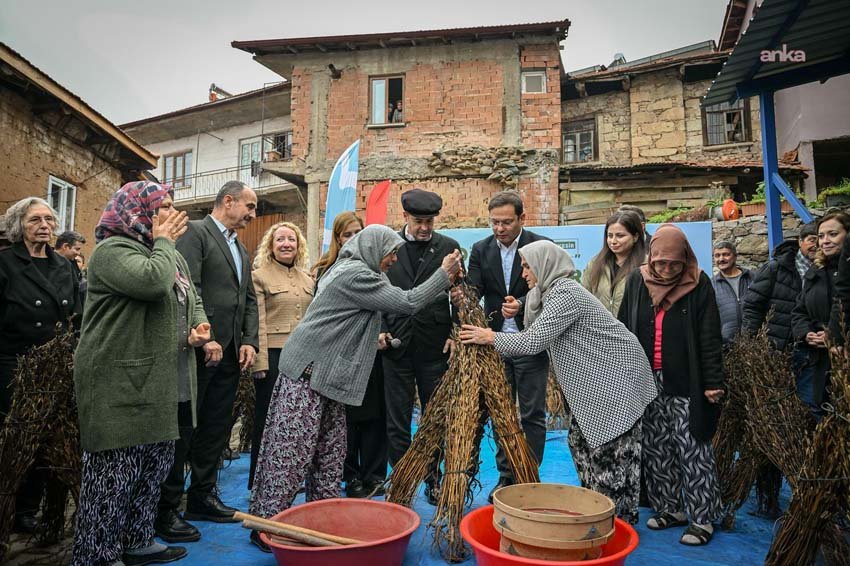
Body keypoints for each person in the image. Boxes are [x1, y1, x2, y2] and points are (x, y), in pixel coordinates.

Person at [248, 225, 461, 551]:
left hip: (326, 377)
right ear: (374, 248)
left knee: (329, 454)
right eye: (390, 252)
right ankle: (266, 525)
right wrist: (443, 275)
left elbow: (349, 319)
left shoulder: (351, 269)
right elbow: (407, 302)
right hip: (308, 373)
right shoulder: (357, 274)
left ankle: (319, 518)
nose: (393, 259)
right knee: (291, 453)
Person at [459, 241, 656, 524]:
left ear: (545, 264)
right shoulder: (546, 294)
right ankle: (599, 514)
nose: (523, 272)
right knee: (580, 442)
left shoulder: (566, 293)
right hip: (594, 381)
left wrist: (488, 337)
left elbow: (534, 341)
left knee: (609, 454)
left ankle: (616, 521)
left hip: (615, 377)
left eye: (527, 266)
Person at [71, 181, 210, 565]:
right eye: (160, 206)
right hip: (118, 378)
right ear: (135, 211)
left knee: (152, 466)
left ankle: (136, 538)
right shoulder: (112, 251)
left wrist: (198, 326)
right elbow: (151, 282)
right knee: (114, 474)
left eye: (170, 204)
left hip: (159, 377)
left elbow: (190, 296)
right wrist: (164, 242)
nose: (169, 212)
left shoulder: (169, 255)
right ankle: (97, 554)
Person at [156, 181, 259, 542]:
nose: (252, 214)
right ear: (227, 201)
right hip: (199, 350)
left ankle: (202, 497)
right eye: (249, 205)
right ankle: (166, 509)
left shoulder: (241, 250)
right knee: (186, 428)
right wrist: (206, 335)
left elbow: (247, 300)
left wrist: (249, 340)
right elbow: (188, 288)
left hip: (230, 354)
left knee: (215, 428)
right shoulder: (196, 233)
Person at [618, 224, 724, 546]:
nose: (665, 270)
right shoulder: (638, 280)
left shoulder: (698, 282)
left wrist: (712, 381)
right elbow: (623, 327)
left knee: (693, 446)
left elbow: (709, 335)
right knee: (656, 446)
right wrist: (623, 373)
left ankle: (702, 518)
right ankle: (670, 508)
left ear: (685, 259)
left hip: (687, 380)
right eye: (659, 263)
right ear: (650, 258)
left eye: (673, 264)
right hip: (647, 378)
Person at [457, 190, 550, 502]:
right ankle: (506, 476)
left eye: (507, 222)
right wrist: (460, 294)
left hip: (531, 341)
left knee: (533, 414)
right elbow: (473, 289)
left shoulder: (539, 246)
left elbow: (549, 287)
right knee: (501, 412)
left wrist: (522, 303)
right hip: (495, 345)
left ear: (521, 219)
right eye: (494, 222)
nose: (500, 229)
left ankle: (529, 475)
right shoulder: (481, 250)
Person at [0, 197, 79, 534]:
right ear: (19, 226)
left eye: (49, 219)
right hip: (13, 363)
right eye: (35, 220)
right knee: (17, 438)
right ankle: (10, 506)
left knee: (48, 439)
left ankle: (30, 510)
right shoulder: (5, 263)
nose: (44, 226)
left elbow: (76, 313)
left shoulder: (64, 267)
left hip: (55, 365)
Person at [383, 189, 460, 505]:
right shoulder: (387, 246)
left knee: (434, 417)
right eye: (418, 221)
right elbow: (372, 293)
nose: (425, 228)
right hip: (395, 347)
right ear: (405, 218)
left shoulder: (448, 248)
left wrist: (455, 332)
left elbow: (461, 293)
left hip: (434, 349)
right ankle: (401, 479)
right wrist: (381, 330)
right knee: (396, 420)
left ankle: (433, 478)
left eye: (429, 222)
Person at [248, 222, 313, 491]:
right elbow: (258, 322)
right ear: (271, 246)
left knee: (297, 420)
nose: (286, 244)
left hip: (303, 359)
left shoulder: (309, 279)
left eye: (292, 239)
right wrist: (260, 362)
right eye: (280, 240)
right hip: (273, 357)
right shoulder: (259, 276)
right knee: (267, 420)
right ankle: (260, 481)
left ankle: (290, 479)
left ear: (298, 246)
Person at [791, 212, 850, 414]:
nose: (825, 241)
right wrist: (806, 332)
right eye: (821, 236)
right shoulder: (815, 271)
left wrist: (834, 335)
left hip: (843, 355)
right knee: (819, 411)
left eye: (833, 234)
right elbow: (799, 310)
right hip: (818, 361)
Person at [743, 222, 818, 351]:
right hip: (776, 346)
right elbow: (753, 306)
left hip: (813, 346)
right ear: (800, 241)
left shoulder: (827, 270)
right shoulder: (776, 268)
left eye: (820, 240)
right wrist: (750, 343)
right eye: (812, 240)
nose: (816, 245)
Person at [582, 210, 646, 316]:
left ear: (635, 237)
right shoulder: (595, 264)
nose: (613, 241)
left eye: (620, 236)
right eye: (610, 235)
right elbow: (584, 300)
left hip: (631, 331)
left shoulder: (645, 266)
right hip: (600, 329)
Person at [711, 241, 753, 345]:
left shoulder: (753, 278)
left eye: (726, 254)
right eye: (717, 255)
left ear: (735, 257)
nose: (721, 259)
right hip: (727, 346)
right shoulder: (711, 285)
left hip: (756, 343)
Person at [311, 211, 363, 280]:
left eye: (358, 232)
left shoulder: (372, 259)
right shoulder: (327, 262)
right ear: (338, 239)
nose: (354, 238)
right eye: (347, 235)